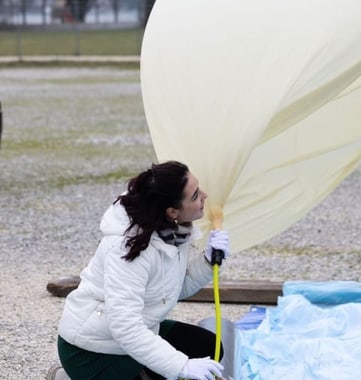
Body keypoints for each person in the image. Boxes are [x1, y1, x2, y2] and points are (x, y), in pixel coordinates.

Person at [48, 161, 230, 380]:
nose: (204, 196)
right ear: (172, 211)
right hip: (92, 351)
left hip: (130, 335)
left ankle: (140, 372)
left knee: (210, 348)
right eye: (194, 196)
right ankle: (69, 377)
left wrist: (208, 262)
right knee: (179, 367)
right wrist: (181, 365)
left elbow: (170, 290)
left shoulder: (172, 232)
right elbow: (125, 327)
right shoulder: (128, 250)